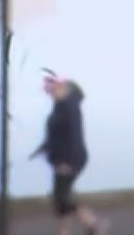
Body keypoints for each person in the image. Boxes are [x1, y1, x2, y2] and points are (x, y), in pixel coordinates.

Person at [32, 75, 110, 235]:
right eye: (48, 91)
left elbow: (74, 136)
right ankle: (75, 229)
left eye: (52, 90)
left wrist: (68, 162)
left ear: (63, 88)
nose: (50, 94)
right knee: (61, 197)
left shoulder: (70, 107)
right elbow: (53, 136)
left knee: (62, 196)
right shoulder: (58, 108)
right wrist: (42, 149)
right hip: (61, 158)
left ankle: (93, 224)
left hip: (70, 158)